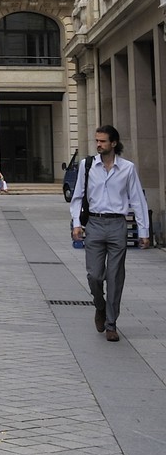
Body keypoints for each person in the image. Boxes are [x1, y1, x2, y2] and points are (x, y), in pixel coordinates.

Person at [71, 124, 152, 342]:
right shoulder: (88, 166)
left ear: (113, 143)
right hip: (95, 225)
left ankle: (111, 323)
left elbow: (137, 199)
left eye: (102, 141)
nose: (98, 144)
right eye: (96, 141)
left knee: (115, 277)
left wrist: (144, 230)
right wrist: (76, 223)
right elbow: (77, 196)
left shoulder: (127, 168)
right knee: (94, 275)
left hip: (118, 225)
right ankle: (100, 306)